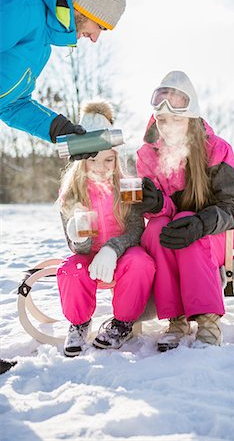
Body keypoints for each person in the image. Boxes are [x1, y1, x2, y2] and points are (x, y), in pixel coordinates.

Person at [136, 70, 234, 351]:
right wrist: (157, 204)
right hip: (174, 233)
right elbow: (159, 213)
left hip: (220, 232)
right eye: (161, 119)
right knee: (158, 228)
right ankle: (176, 320)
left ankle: (208, 322)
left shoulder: (217, 149)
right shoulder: (147, 155)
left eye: (176, 119)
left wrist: (200, 222)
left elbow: (231, 207)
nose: (167, 125)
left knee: (187, 221)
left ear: (191, 117)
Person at [57, 100, 155, 356]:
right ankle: (78, 324)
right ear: (81, 160)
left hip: (123, 253)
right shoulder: (71, 193)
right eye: (93, 160)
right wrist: (78, 236)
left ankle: (122, 323)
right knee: (71, 270)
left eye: (108, 160)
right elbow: (73, 245)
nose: (101, 168)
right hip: (88, 256)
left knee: (141, 263)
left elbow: (136, 231)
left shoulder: (128, 187)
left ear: (116, 159)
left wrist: (113, 249)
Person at [0, 0, 127, 148]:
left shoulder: (41, 49)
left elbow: (11, 105)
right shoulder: (22, 4)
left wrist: (58, 129)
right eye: (100, 26)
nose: (95, 38)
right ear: (85, 7)